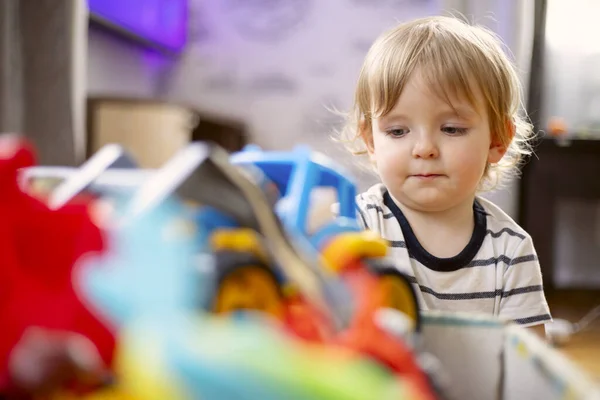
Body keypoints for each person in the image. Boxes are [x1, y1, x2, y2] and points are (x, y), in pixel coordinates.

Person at [337, 15, 551, 329]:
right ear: (371, 141)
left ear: (497, 140)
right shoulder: (356, 225)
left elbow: (526, 364)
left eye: (451, 129)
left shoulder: (511, 250)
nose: (424, 148)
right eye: (397, 131)